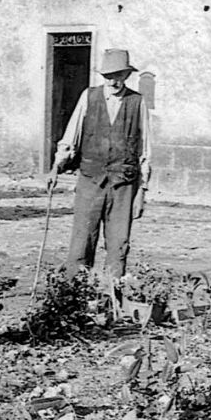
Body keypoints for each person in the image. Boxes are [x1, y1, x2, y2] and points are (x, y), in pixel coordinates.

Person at [47, 49, 152, 278]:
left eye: (118, 75)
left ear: (126, 75)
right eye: (108, 76)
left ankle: (112, 301)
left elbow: (145, 151)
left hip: (123, 184)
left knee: (118, 243)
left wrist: (141, 192)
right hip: (90, 180)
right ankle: (73, 299)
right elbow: (71, 136)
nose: (113, 81)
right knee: (82, 241)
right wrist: (57, 166)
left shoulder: (137, 103)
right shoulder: (89, 96)